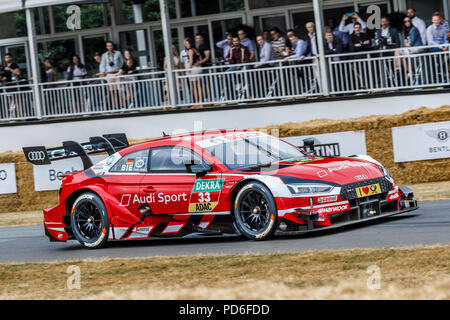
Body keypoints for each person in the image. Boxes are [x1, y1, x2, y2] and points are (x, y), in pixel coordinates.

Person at [99, 41, 124, 109]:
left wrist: (121, 71)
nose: (110, 47)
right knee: (112, 91)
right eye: (108, 46)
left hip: (117, 73)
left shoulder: (118, 53)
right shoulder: (104, 55)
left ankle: (123, 105)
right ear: (106, 47)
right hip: (109, 74)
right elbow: (103, 65)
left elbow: (122, 62)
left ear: (113, 46)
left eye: (111, 46)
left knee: (120, 90)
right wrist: (103, 73)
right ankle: (115, 106)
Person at [183, 38, 203, 108]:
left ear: (190, 44)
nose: (186, 45)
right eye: (185, 44)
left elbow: (190, 61)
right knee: (199, 85)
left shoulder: (190, 50)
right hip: (199, 68)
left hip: (193, 69)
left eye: (187, 44)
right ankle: (200, 101)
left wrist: (188, 69)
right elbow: (200, 59)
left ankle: (197, 102)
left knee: (193, 86)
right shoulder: (196, 50)